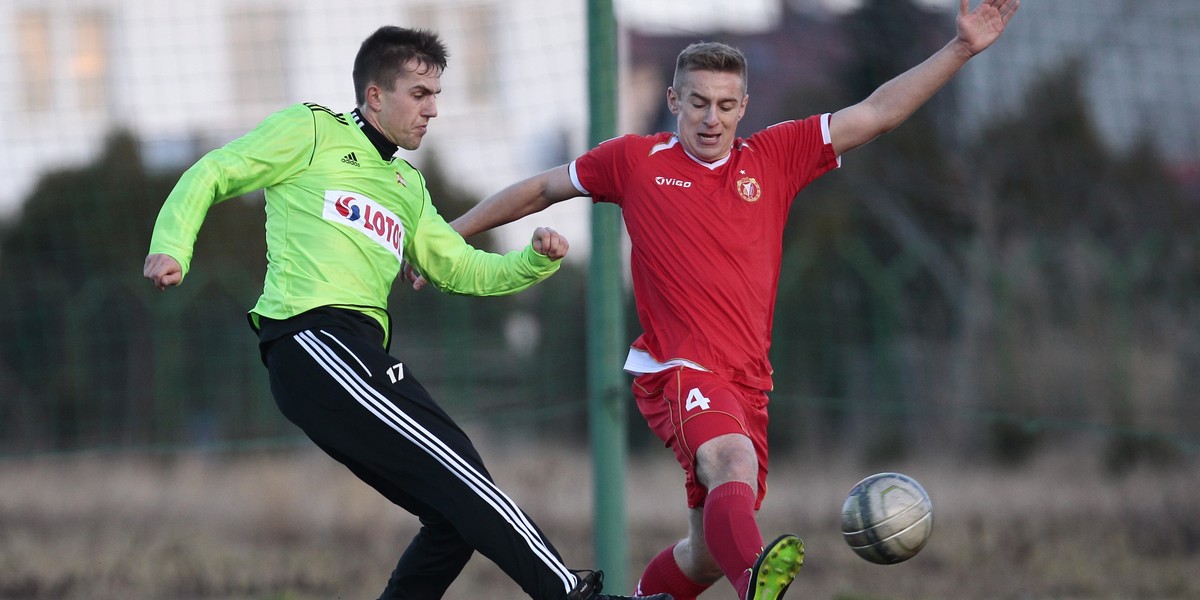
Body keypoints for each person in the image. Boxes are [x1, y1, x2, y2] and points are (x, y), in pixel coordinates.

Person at [409, 1, 1020, 599]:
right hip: (678, 369)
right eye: (698, 102)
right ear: (674, 100)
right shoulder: (635, 161)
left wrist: (961, 47)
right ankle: (756, 580)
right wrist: (447, 235)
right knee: (731, 462)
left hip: (749, 382)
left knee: (703, 552)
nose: (711, 118)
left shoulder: (777, 157)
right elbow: (542, 186)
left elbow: (878, 112)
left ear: (743, 107)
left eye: (726, 105)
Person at [143, 25, 671, 600]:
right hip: (311, 340)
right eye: (420, 94)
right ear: (375, 95)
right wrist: (172, 244)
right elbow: (216, 170)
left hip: (360, 353)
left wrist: (532, 262)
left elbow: (460, 268)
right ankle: (574, 595)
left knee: (455, 514)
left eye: (437, 96)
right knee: (466, 484)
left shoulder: (406, 185)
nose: (433, 110)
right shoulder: (312, 129)